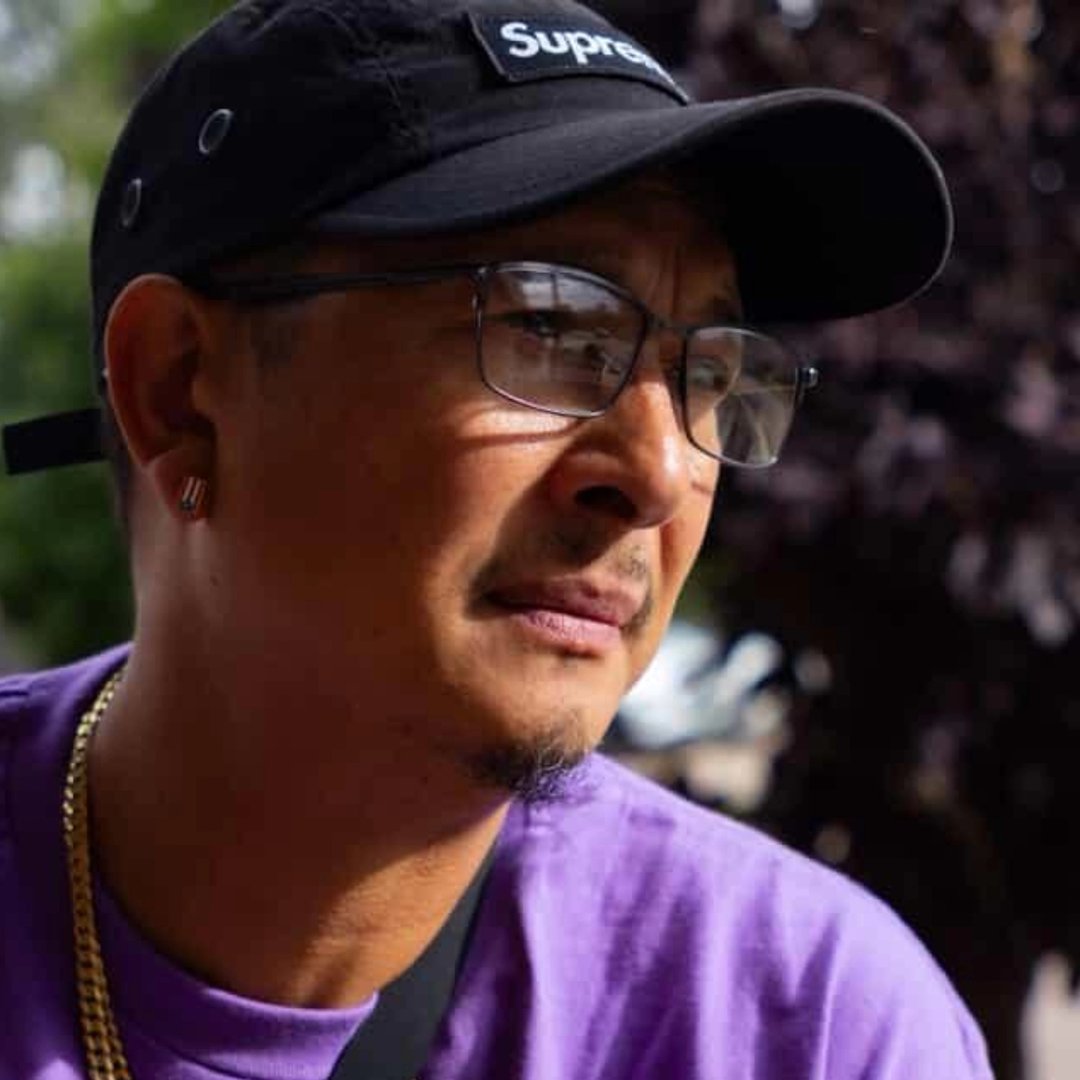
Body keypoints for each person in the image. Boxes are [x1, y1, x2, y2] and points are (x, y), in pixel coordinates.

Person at [0, 0, 993, 1077]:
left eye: (710, 372)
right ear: (180, 391)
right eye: (549, 326)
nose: (660, 475)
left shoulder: (809, 1024)